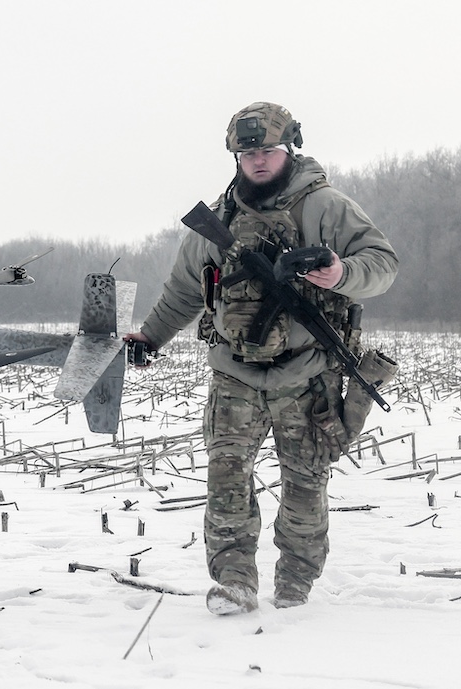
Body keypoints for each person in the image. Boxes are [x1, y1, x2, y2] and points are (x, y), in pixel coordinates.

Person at [125, 102, 398, 615]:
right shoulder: (218, 219)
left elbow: (383, 264)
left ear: (288, 148)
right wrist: (151, 337)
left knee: (305, 485)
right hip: (234, 372)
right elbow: (184, 292)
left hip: (309, 371)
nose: (257, 160)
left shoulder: (326, 207)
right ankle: (233, 581)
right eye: (247, 151)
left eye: (268, 150)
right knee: (226, 478)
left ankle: (294, 585)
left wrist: (340, 273)